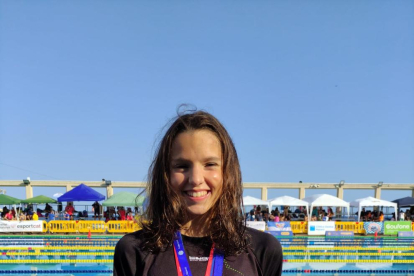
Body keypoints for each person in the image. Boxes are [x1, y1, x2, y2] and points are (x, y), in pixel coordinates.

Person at [114, 110, 283, 276]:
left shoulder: (263, 250)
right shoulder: (134, 251)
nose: (195, 179)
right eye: (182, 166)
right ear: (165, 174)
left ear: (228, 172)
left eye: (210, 164)